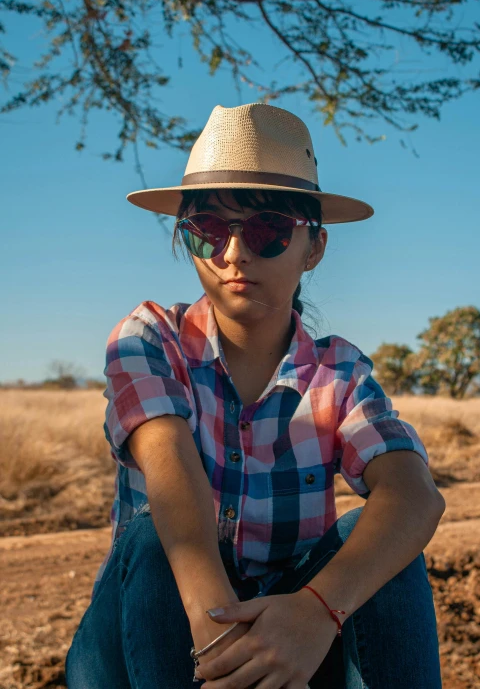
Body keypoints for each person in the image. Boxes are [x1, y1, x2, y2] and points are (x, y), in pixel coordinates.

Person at [65, 102, 445, 689]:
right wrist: (226, 649)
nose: (235, 253)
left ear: (313, 248)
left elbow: (414, 496)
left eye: (267, 229)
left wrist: (318, 609)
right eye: (209, 230)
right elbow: (172, 484)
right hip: (153, 638)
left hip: (293, 635)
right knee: (151, 538)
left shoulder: (338, 372)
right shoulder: (150, 338)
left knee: (376, 546)